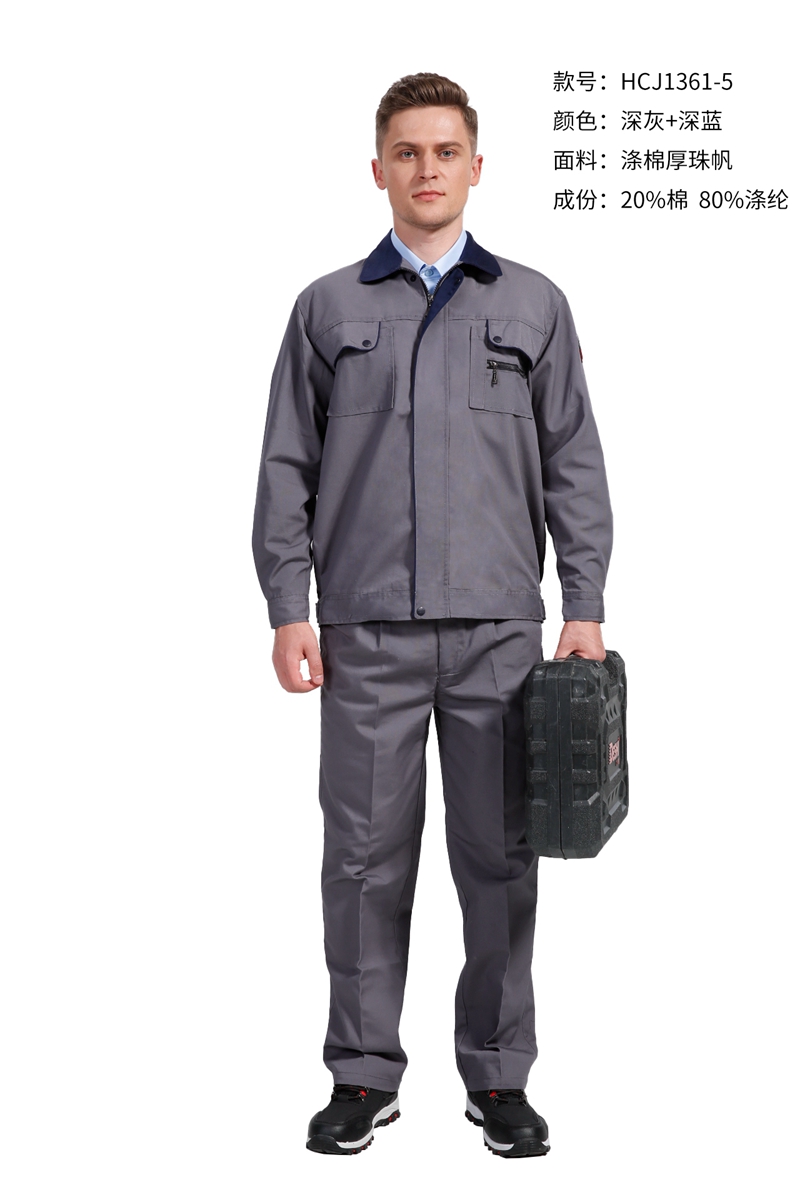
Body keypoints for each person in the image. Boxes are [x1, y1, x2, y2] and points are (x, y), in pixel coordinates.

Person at [252, 72, 613, 1159]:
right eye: (406, 152)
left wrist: (583, 603)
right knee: (362, 860)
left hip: (500, 632)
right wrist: (287, 605)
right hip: (363, 632)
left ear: (475, 166)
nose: (426, 169)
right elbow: (286, 467)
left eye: (444, 150)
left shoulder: (533, 305)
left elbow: (573, 462)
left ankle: (498, 1077)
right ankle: (362, 1075)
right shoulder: (327, 309)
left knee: (501, 860)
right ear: (377, 169)